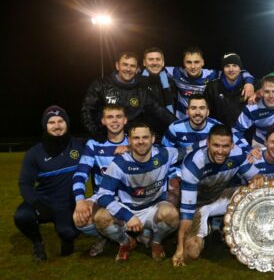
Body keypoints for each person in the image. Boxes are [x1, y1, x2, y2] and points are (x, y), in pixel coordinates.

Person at [173, 125, 261, 266]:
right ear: (207, 143)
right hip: (196, 206)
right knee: (191, 252)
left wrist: (257, 180)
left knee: (258, 193)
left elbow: (256, 177)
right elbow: (187, 212)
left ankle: (255, 241)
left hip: (220, 197)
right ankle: (208, 228)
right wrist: (179, 248)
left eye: (225, 146)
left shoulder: (237, 154)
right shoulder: (193, 163)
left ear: (232, 145)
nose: (220, 151)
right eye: (216, 145)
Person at [94, 123, 183, 262]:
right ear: (129, 140)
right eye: (136, 138)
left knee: (172, 215)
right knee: (100, 218)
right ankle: (125, 242)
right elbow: (103, 195)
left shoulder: (165, 154)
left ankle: (156, 242)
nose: (141, 141)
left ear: (153, 139)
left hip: (153, 208)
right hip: (128, 208)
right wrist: (127, 216)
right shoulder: (119, 163)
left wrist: (213, 143)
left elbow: (190, 150)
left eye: (145, 137)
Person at [15, 106, 85, 260]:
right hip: (44, 201)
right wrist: (37, 203)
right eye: (51, 122)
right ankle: (37, 242)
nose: (57, 125)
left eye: (60, 121)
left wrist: (124, 147)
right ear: (45, 126)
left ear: (67, 123)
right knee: (23, 216)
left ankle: (67, 237)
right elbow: (25, 184)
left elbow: (103, 147)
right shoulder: (34, 153)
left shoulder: (80, 146)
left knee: (70, 232)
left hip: (67, 202)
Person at [72, 104, 129, 257]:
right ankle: (106, 236)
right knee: (80, 219)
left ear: (125, 120)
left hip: (129, 198)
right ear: (103, 121)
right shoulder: (94, 145)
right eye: (110, 117)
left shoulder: (135, 142)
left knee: (102, 217)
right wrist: (79, 200)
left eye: (119, 116)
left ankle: (124, 239)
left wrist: (131, 149)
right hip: (102, 197)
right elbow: (80, 174)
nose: (115, 121)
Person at [81, 51, 175, 140]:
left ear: (137, 68)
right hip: (106, 137)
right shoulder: (101, 85)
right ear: (117, 66)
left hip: (132, 140)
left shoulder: (141, 89)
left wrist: (182, 126)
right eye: (125, 64)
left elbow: (161, 112)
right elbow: (87, 112)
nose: (128, 69)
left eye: (132, 66)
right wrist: (97, 135)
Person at [167, 47, 255, 119]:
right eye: (189, 62)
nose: (193, 66)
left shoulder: (211, 75)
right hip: (181, 119)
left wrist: (249, 83)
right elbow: (159, 69)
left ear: (202, 62)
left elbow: (237, 72)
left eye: (196, 62)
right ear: (184, 63)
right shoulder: (176, 72)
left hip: (203, 119)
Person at [204, 53, 253, 137]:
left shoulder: (251, 86)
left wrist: (257, 93)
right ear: (223, 68)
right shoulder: (213, 87)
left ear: (240, 68)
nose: (231, 69)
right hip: (219, 134)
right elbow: (207, 111)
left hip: (245, 135)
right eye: (227, 66)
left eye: (234, 65)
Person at [140, 47, 176, 115]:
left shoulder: (171, 83)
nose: (154, 63)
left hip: (168, 123)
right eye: (151, 59)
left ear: (163, 62)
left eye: (158, 59)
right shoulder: (137, 83)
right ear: (144, 62)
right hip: (144, 124)